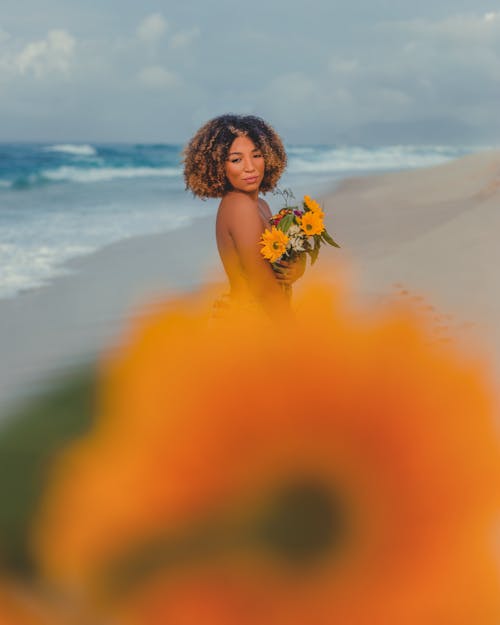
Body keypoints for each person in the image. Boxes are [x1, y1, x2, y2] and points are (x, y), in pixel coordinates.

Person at [183, 114, 305, 318]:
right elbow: (264, 289)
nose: (250, 167)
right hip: (255, 322)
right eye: (236, 159)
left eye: (256, 155)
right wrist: (293, 338)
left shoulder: (260, 205)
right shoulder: (240, 207)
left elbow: (270, 271)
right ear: (218, 166)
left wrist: (296, 268)